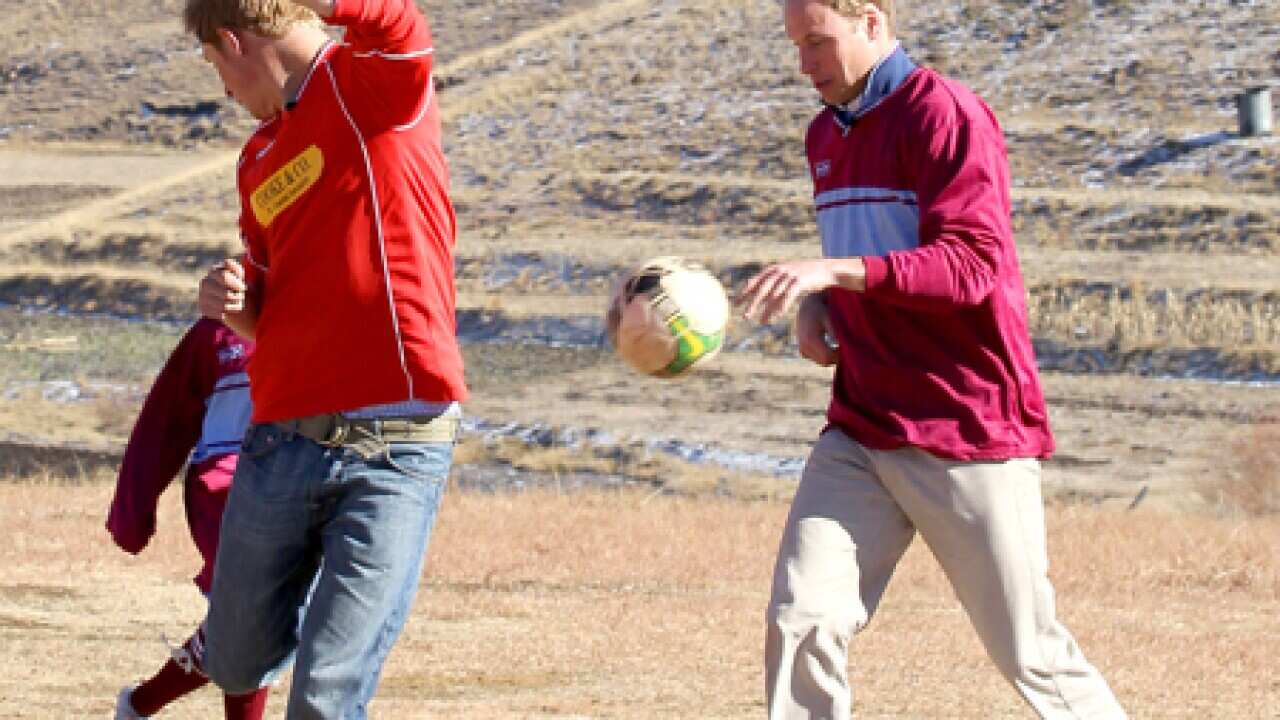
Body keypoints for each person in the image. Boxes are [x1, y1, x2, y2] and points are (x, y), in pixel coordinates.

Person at [735, 1, 1128, 718]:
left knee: (1031, 653)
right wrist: (820, 302)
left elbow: (971, 267)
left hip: (965, 428)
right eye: (796, 45)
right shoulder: (824, 134)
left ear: (874, 23)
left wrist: (835, 274)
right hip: (862, 426)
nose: (804, 64)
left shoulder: (945, 115)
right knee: (802, 618)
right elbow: (866, 257)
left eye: (818, 42)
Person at [187, 0, 466, 715]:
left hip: (395, 448)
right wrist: (234, 302)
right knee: (234, 656)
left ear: (232, 41)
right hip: (281, 442)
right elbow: (268, 307)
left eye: (216, 66)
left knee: (326, 693)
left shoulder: (371, 89)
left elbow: (398, 21)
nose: (222, 89)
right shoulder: (256, 159)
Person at [106, 318, 270, 719]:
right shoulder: (217, 331)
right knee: (253, 618)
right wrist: (133, 510)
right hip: (221, 495)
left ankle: (138, 707)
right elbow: (165, 418)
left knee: (251, 623)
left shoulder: (335, 314)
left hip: (309, 486)